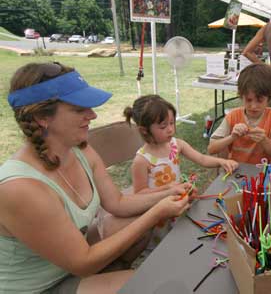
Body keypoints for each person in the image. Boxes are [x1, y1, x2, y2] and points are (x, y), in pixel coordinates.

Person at [0, 63, 193, 293]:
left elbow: (117, 204)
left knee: (138, 223)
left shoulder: (80, 150)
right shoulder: (20, 188)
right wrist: (157, 212)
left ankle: (112, 274)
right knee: (149, 285)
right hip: (40, 287)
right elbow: (83, 262)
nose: (92, 115)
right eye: (79, 109)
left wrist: (169, 192)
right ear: (42, 117)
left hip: (70, 262)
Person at [124, 95, 238, 245]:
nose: (170, 129)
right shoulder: (141, 160)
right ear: (144, 130)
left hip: (177, 206)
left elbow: (202, 159)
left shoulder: (175, 144)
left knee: (179, 238)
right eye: (163, 126)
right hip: (158, 214)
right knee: (162, 247)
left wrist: (222, 161)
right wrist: (169, 188)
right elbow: (139, 195)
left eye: (172, 123)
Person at [208, 63, 271, 164]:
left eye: (259, 100)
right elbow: (212, 149)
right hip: (237, 172)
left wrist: (264, 141)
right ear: (241, 96)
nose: (253, 106)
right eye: (248, 100)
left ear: (269, 97)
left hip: (264, 174)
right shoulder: (233, 116)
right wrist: (232, 137)